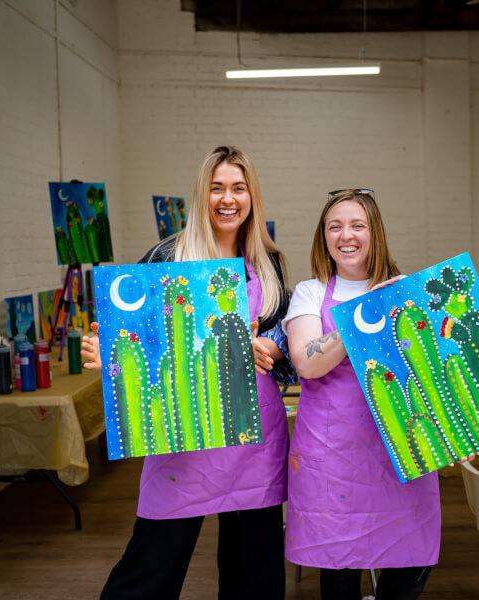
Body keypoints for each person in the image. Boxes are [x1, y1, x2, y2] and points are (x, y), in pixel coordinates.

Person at [81, 146, 293, 600]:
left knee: (254, 578)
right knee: (149, 570)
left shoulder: (268, 261)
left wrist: (275, 346)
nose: (228, 198)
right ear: (202, 194)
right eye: (217, 188)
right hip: (184, 434)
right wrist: (108, 351)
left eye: (238, 188)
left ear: (252, 196)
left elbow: (287, 338)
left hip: (253, 437)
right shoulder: (168, 256)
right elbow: (134, 336)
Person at [283, 189, 441, 600]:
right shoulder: (310, 292)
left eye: (358, 225)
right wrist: (364, 312)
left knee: (412, 557)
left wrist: (460, 435)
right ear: (323, 237)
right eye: (334, 226)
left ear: (375, 234)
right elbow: (307, 364)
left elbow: (433, 374)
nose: (346, 235)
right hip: (333, 455)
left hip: (402, 450)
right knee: (339, 567)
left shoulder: (407, 291)